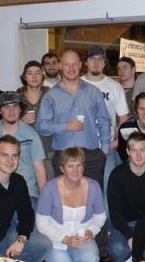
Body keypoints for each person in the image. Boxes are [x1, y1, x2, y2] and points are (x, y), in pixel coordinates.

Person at [36, 148, 106, 262]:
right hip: (56, 240)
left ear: (84, 167)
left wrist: (91, 231)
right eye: (70, 166)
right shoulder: (50, 188)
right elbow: (41, 224)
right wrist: (65, 239)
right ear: (62, 168)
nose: (75, 170)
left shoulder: (93, 186)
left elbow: (100, 216)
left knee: (92, 259)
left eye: (79, 165)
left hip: (81, 237)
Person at [36, 49, 112, 189]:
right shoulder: (50, 96)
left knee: (92, 202)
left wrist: (104, 150)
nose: (71, 69)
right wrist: (65, 126)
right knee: (66, 204)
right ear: (60, 66)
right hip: (63, 157)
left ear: (80, 65)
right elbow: (41, 126)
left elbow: (104, 120)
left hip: (92, 158)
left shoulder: (93, 92)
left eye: (74, 64)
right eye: (66, 64)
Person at [107, 131, 145, 262]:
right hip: (126, 223)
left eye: (142, 150)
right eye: (134, 150)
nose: (138, 155)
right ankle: (135, 254)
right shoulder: (117, 175)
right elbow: (115, 214)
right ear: (127, 152)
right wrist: (130, 236)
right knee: (118, 251)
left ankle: (140, 253)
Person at [81, 46, 130, 203]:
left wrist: (114, 144)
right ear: (86, 62)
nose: (96, 62)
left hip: (105, 148)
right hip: (79, 146)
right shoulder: (76, 84)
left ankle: (107, 227)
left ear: (104, 63)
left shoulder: (115, 87)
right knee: (81, 190)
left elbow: (124, 119)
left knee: (107, 188)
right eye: (92, 59)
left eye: (100, 59)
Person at [0, 91, 47, 206]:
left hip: (27, 192)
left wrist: (45, 200)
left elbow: (40, 170)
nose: (11, 111)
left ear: (21, 109)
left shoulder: (31, 135)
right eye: (6, 107)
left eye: (15, 106)